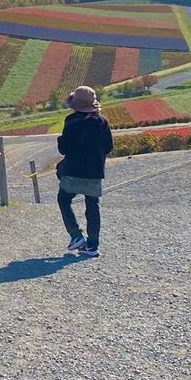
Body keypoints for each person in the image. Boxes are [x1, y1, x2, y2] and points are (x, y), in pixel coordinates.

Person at [56, 85, 114, 260]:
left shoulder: (71, 121)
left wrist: (60, 140)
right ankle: (93, 245)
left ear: (76, 105)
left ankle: (76, 235)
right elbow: (109, 147)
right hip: (94, 171)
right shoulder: (102, 121)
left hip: (73, 170)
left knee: (64, 200)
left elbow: (64, 148)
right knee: (92, 206)